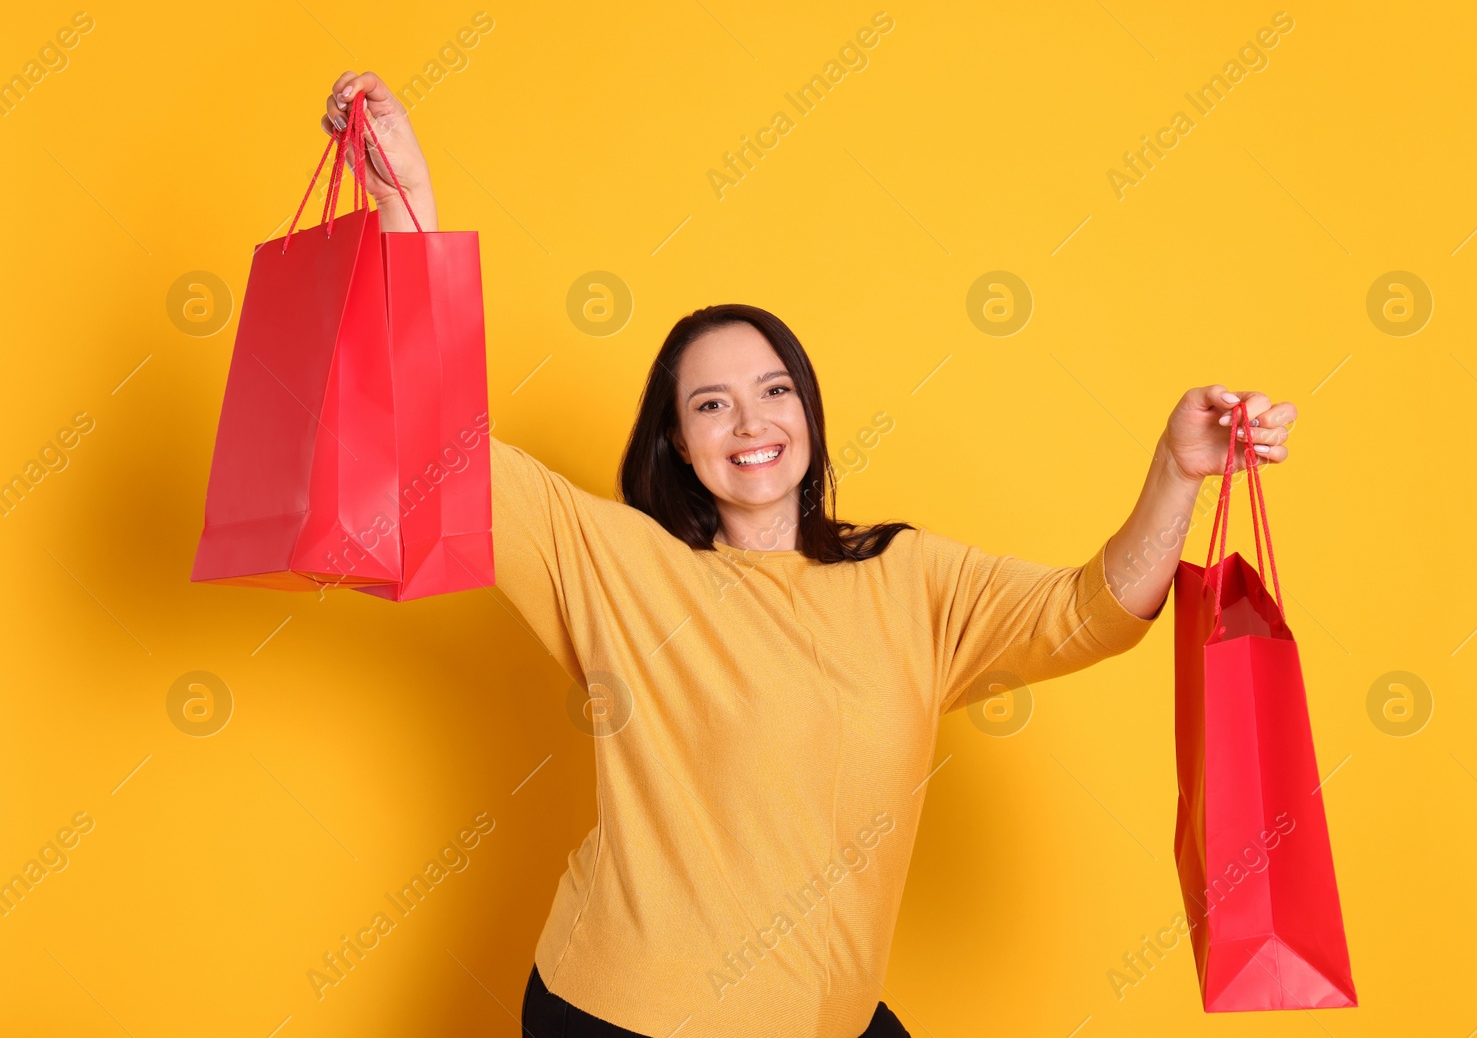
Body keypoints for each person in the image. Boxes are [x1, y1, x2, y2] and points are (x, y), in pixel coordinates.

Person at [317, 71, 1299, 1038]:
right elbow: (442, 448)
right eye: (711, 403)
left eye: (774, 389)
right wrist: (410, 200)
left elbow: (1095, 610)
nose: (750, 420)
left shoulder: (912, 578)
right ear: (678, 444)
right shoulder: (613, 560)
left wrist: (1176, 469)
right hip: (626, 1014)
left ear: (810, 415)